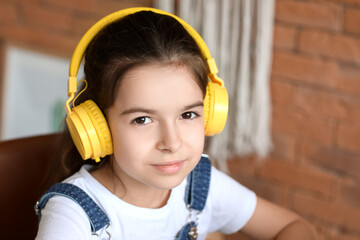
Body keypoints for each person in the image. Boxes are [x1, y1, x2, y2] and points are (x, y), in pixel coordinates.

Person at [35, 7, 318, 240]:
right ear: (97, 127)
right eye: (142, 119)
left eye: (188, 115)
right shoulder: (72, 215)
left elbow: (293, 227)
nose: (171, 143)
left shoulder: (200, 185)